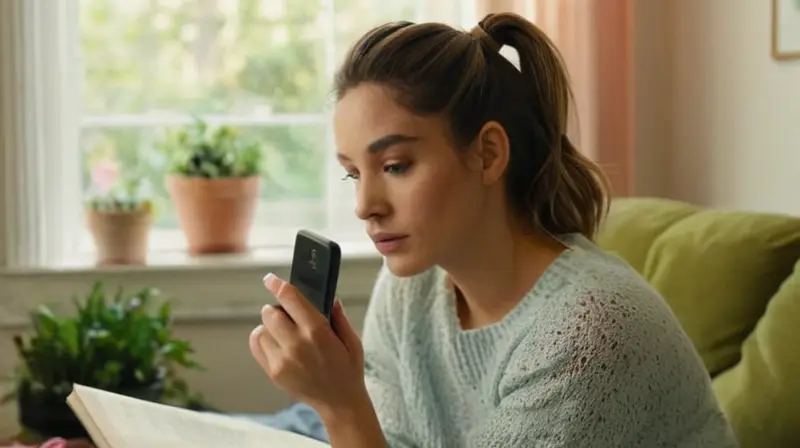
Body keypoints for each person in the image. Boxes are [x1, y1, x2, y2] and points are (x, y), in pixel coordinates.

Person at [248, 12, 739, 448]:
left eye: (395, 166)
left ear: (487, 153)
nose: (365, 206)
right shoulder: (410, 289)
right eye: (354, 173)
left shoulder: (591, 334)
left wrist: (340, 406)